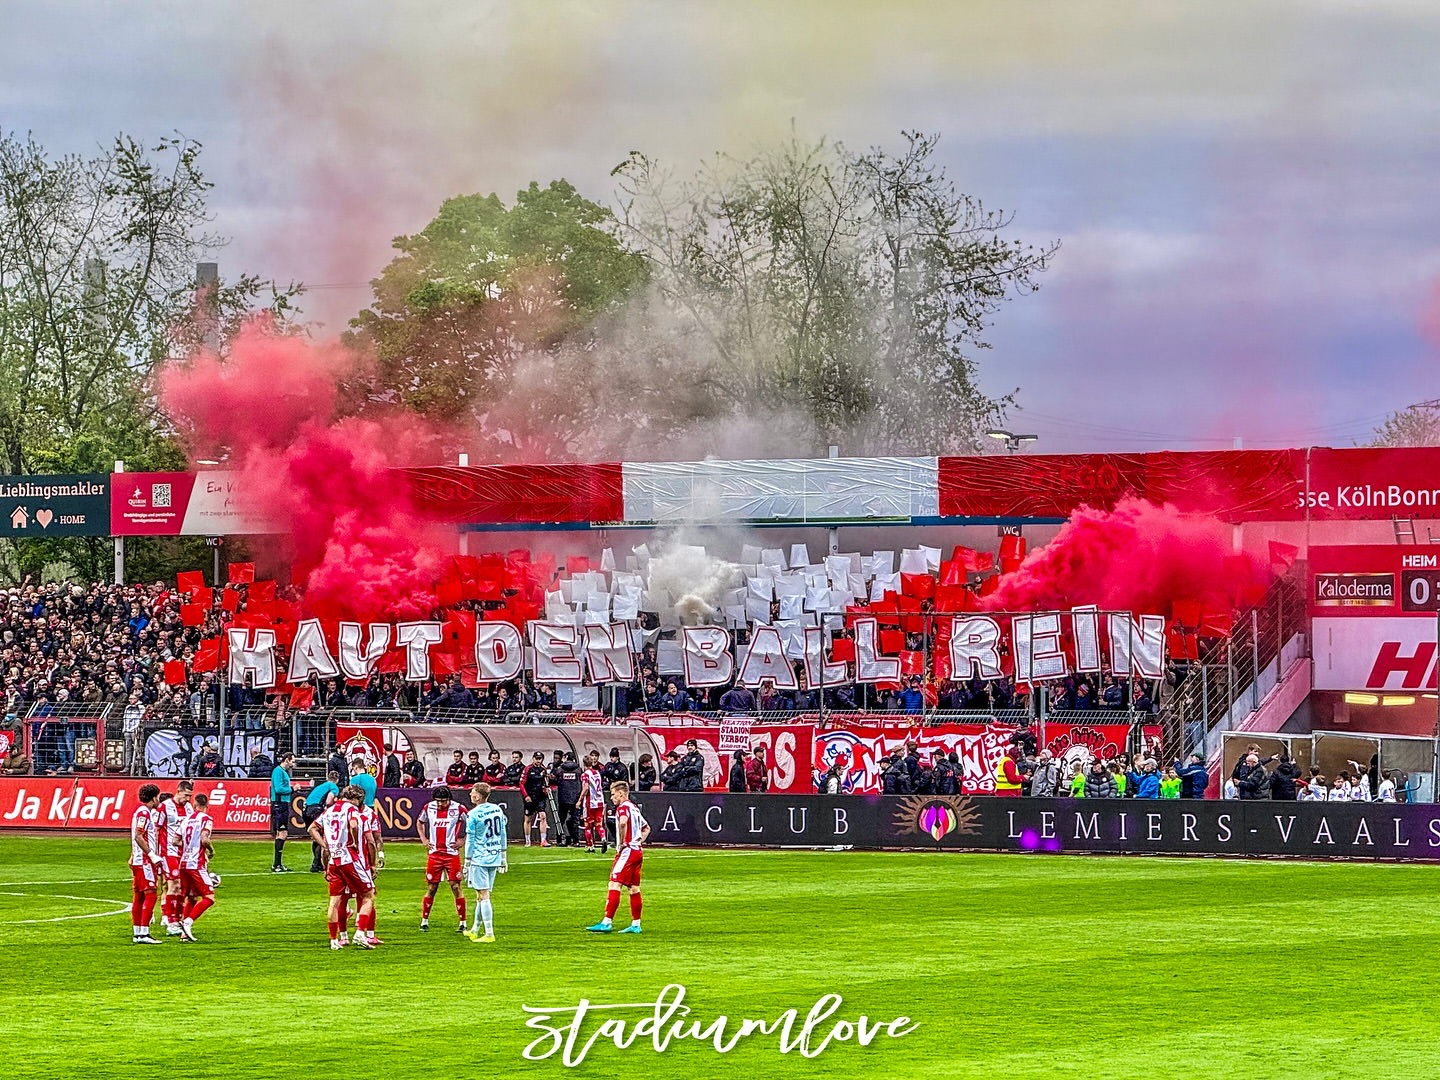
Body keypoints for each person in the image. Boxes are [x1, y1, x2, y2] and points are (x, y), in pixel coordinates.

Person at [310, 786, 377, 950]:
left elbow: (311, 828)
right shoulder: (351, 809)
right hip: (349, 858)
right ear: (358, 798)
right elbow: (353, 825)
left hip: (334, 859)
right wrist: (353, 841)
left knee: (335, 901)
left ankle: (334, 940)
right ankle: (360, 933)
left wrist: (325, 846)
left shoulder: (329, 811)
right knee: (368, 894)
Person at [586, 780, 648, 935]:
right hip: (637, 851)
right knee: (633, 888)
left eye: (613, 794)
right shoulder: (634, 808)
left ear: (621, 793)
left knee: (614, 884)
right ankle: (636, 924)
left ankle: (607, 922)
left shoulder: (623, 808)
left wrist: (621, 843)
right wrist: (637, 841)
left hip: (627, 851)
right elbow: (646, 828)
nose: (612, 798)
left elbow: (622, 823)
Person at [418, 786, 468, 933]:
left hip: (451, 854)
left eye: (443, 801)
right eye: (438, 801)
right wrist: (424, 839)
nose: (440, 804)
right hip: (434, 854)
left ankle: (463, 922)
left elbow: (471, 825)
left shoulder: (459, 809)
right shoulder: (429, 807)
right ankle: (424, 921)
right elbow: (420, 822)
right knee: (432, 887)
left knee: (455, 886)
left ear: (449, 799)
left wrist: (463, 840)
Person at [464, 782, 509, 942]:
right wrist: (503, 856)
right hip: (495, 855)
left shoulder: (473, 814)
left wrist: (467, 862)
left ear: (478, 795)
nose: (470, 794)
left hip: (480, 857)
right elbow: (503, 832)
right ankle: (475, 929)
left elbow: (470, 840)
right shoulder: (497, 809)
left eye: (472, 792)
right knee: (480, 894)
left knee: (484, 895)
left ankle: (489, 933)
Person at [176, 792, 216, 942]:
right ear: (207, 805)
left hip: (183, 862)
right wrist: (211, 850)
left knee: (192, 897)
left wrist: (188, 846)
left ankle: (184, 934)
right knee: (209, 897)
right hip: (196, 864)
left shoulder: (185, 820)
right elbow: (204, 839)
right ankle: (188, 921)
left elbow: (175, 841)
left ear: (194, 805)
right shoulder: (206, 819)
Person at [158, 781, 195, 936]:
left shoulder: (188, 808)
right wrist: (155, 852)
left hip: (183, 853)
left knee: (181, 887)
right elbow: (156, 828)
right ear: (178, 791)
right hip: (169, 852)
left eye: (190, 796)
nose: (188, 799)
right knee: (173, 885)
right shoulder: (165, 806)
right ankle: (171, 922)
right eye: (186, 795)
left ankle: (170, 917)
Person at [129, 783, 163, 944]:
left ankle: (138, 933)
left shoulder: (142, 812)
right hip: (144, 861)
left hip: (138, 859)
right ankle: (144, 933)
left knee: (139, 896)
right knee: (150, 894)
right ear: (154, 797)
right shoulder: (144, 813)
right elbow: (138, 835)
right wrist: (152, 855)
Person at [303, 770, 341, 872]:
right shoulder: (333, 787)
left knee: (315, 836)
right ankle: (316, 864)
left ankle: (317, 863)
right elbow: (329, 801)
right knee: (322, 837)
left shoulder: (321, 786)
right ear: (337, 780)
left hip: (306, 809)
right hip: (316, 809)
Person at [270, 752, 295, 872]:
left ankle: (278, 864)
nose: (293, 764)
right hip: (279, 805)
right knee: (282, 833)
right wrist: (292, 789)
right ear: (287, 760)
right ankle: (276, 864)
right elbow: (278, 788)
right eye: (292, 761)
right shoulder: (278, 771)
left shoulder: (282, 772)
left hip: (282, 804)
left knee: (281, 834)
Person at [579, 753, 608, 853]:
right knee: (599, 825)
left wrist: (579, 800)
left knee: (587, 825)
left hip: (590, 802)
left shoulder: (585, 774)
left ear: (584, 764)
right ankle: (603, 838)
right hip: (600, 801)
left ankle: (590, 846)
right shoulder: (597, 772)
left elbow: (586, 788)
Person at [521, 752, 550, 846]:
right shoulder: (527, 769)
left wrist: (546, 789)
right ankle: (528, 840)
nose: (538, 761)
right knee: (528, 819)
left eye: (540, 759)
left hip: (540, 796)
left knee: (543, 816)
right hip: (530, 796)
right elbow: (521, 784)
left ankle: (543, 840)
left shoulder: (543, 769)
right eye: (537, 758)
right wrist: (526, 796)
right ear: (533, 759)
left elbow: (545, 782)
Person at [557, 752, 583, 846]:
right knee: (575, 820)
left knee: (560, 819)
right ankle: (576, 840)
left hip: (563, 798)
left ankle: (560, 839)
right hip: (575, 798)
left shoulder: (560, 769)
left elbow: (554, 778)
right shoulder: (579, 770)